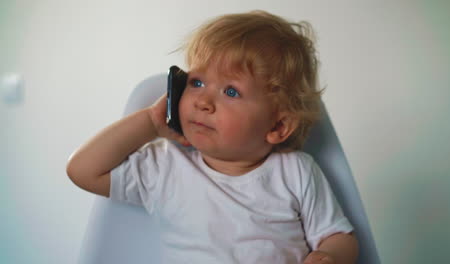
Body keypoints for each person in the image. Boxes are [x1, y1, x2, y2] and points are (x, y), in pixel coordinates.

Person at [67, 10, 358, 264]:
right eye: (196, 82)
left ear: (278, 126)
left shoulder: (296, 171)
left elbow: (337, 236)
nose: (202, 100)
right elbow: (83, 171)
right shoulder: (165, 166)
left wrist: (329, 257)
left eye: (231, 91)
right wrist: (150, 122)